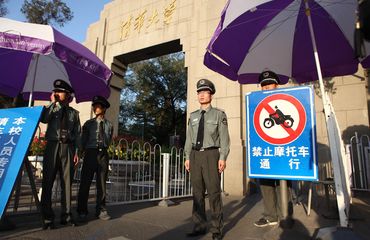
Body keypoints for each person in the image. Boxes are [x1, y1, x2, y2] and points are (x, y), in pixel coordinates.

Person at [184, 79, 230, 240]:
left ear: (211, 94)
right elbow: (189, 138)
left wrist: (223, 157)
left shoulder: (219, 115)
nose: (201, 95)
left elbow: (224, 139)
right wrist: (187, 156)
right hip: (195, 156)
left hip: (211, 155)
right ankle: (199, 226)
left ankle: (216, 229)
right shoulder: (193, 116)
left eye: (205, 92)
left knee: (214, 193)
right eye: (199, 92)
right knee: (197, 193)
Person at [253, 70, 294, 228]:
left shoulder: (285, 101)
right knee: (266, 183)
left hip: (283, 149)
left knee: (284, 184)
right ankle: (270, 215)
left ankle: (286, 215)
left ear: (276, 85)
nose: (266, 88)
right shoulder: (256, 103)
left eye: (269, 84)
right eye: (263, 85)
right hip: (264, 150)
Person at [40, 79, 81, 229]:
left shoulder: (74, 114)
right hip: (52, 147)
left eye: (60, 91)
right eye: (55, 91)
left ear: (68, 94)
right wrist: (53, 103)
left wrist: (77, 152)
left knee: (67, 183)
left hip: (67, 148)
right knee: (48, 183)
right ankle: (47, 218)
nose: (56, 93)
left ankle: (67, 216)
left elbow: (77, 134)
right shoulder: (52, 109)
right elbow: (44, 119)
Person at [77, 95, 113, 221]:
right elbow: (82, 141)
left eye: (97, 106)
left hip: (103, 154)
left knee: (102, 184)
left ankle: (101, 210)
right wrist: (79, 153)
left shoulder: (109, 125)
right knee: (85, 183)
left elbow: (108, 141)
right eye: (94, 105)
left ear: (103, 108)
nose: (94, 108)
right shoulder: (88, 124)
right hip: (90, 153)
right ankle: (82, 210)